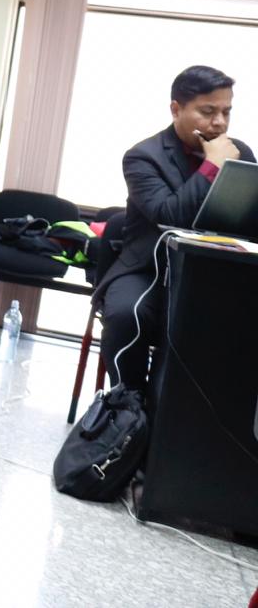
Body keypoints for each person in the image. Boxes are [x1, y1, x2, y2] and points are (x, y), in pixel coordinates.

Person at [95, 65, 254, 392]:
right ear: (176, 109)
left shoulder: (241, 154)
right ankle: (128, 408)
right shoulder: (143, 157)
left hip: (217, 270)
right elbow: (170, 215)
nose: (220, 122)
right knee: (126, 316)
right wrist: (212, 166)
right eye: (207, 112)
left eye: (226, 112)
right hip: (149, 268)